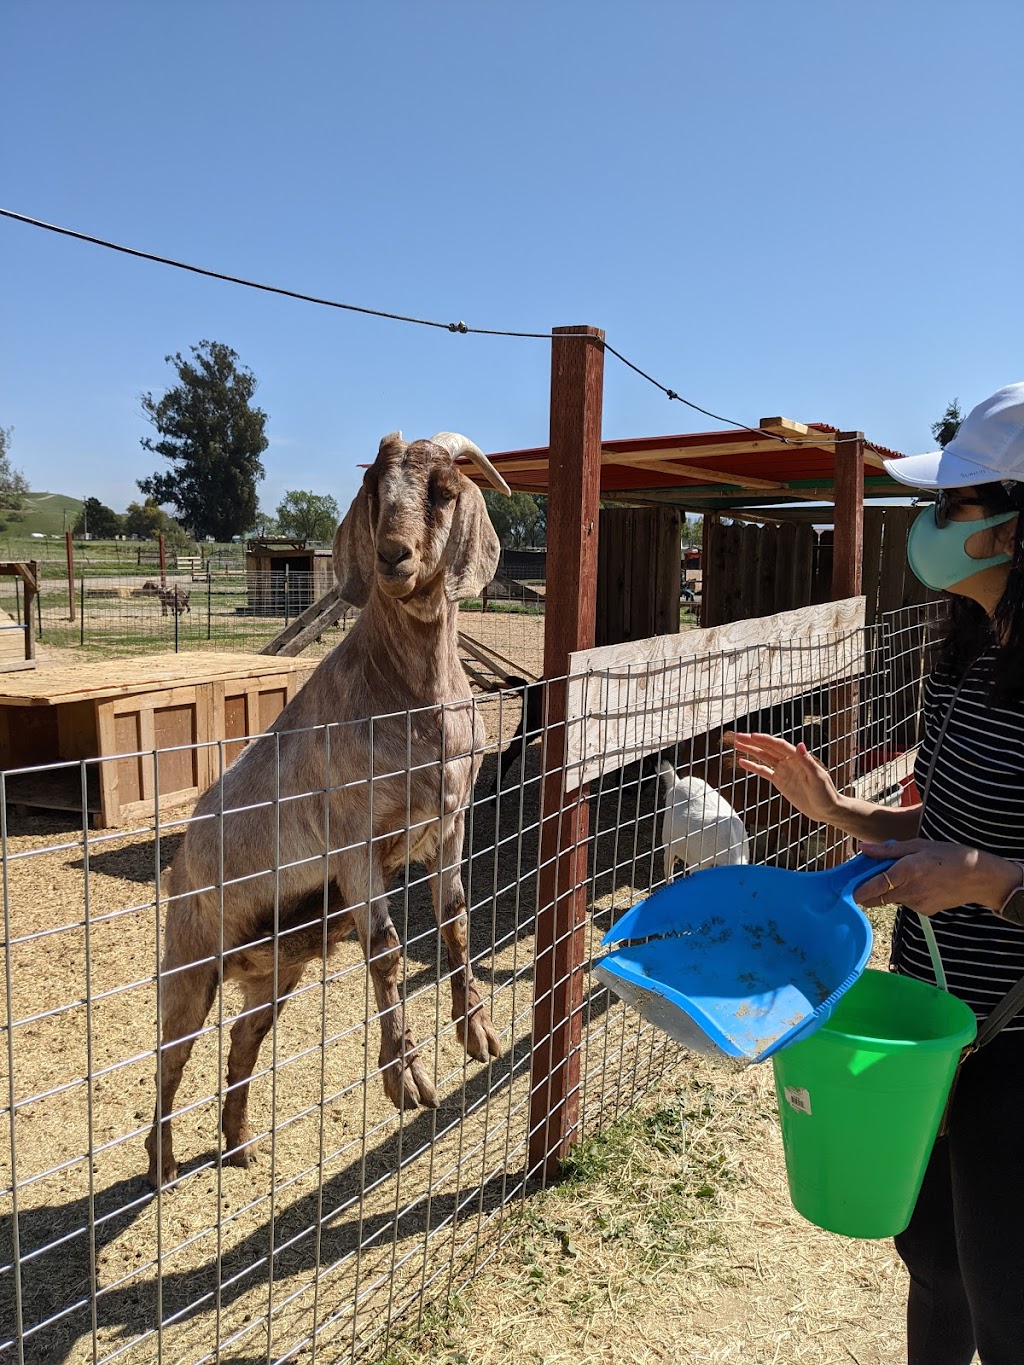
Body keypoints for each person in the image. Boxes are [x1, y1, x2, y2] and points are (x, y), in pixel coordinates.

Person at [728, 382, 1024, 1365]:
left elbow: (972, 859)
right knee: (930, 1262)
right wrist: (836, 812)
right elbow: (937, 825)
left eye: (954, 504)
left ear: (1013, 529)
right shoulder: (972, 653)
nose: (929, 524)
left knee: (1006, 1299)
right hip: (930, 1025)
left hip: (1015, 1045)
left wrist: (982, 881)